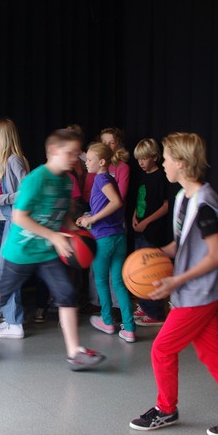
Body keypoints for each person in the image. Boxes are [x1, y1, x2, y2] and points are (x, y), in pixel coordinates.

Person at [129, 132, 218, 435]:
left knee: (161, 349)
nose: (163, 164)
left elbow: (216, 255)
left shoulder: (204, 205)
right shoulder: (182, 198)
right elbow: (182, 244)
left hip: (199, 293)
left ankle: (166, 409)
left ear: (181, 163)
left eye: (166, 159)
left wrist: (177, 279)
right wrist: (156, 255)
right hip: (197, 292)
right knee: (212, 354)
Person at [0, 128, 106, 371]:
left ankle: (75, 353)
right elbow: (20, 217)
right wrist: (53, 235)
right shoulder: (36, 179)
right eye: (70, 153)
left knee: (67, 293)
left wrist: (72, 232)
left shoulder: (66, 181)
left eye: (77, 153)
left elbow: (61, 214)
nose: (75, 158)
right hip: (20, 253)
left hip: (47, 252)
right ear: (53, 151)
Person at [76, 142, 135, 342]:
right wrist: (88, 216)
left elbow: (116, 202)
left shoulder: (101, 178)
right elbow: (107, 206)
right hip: (118, 238)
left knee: (101, 281)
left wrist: (92, 219)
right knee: (118, 283)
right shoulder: (107, 178)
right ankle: (129, 328)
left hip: (104, 239)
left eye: (89, 160)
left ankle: (108, 321)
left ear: (102, 162)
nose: (86, 163)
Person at [0, 117, 29, 325]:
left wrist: (1, 199)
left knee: (7, 270)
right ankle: (9, 316)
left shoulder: (14, 160)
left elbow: (27, 191)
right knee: (3, 270)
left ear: (4, 137)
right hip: (7, 219)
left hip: (16, 221)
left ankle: (14, 321)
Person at [131, 138, 171, 326]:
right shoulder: (142, 176)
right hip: (139, 229)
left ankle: (155, 313)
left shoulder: (161, 177)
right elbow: (140, 201)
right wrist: (134, 216)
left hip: (152, 232)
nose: (141, 162)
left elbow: (165, 206)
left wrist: (146, 222)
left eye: (144, 158)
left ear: (155, 157)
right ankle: (144, 305)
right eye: (139, 159)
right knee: (139, 269)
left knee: (151, 272)